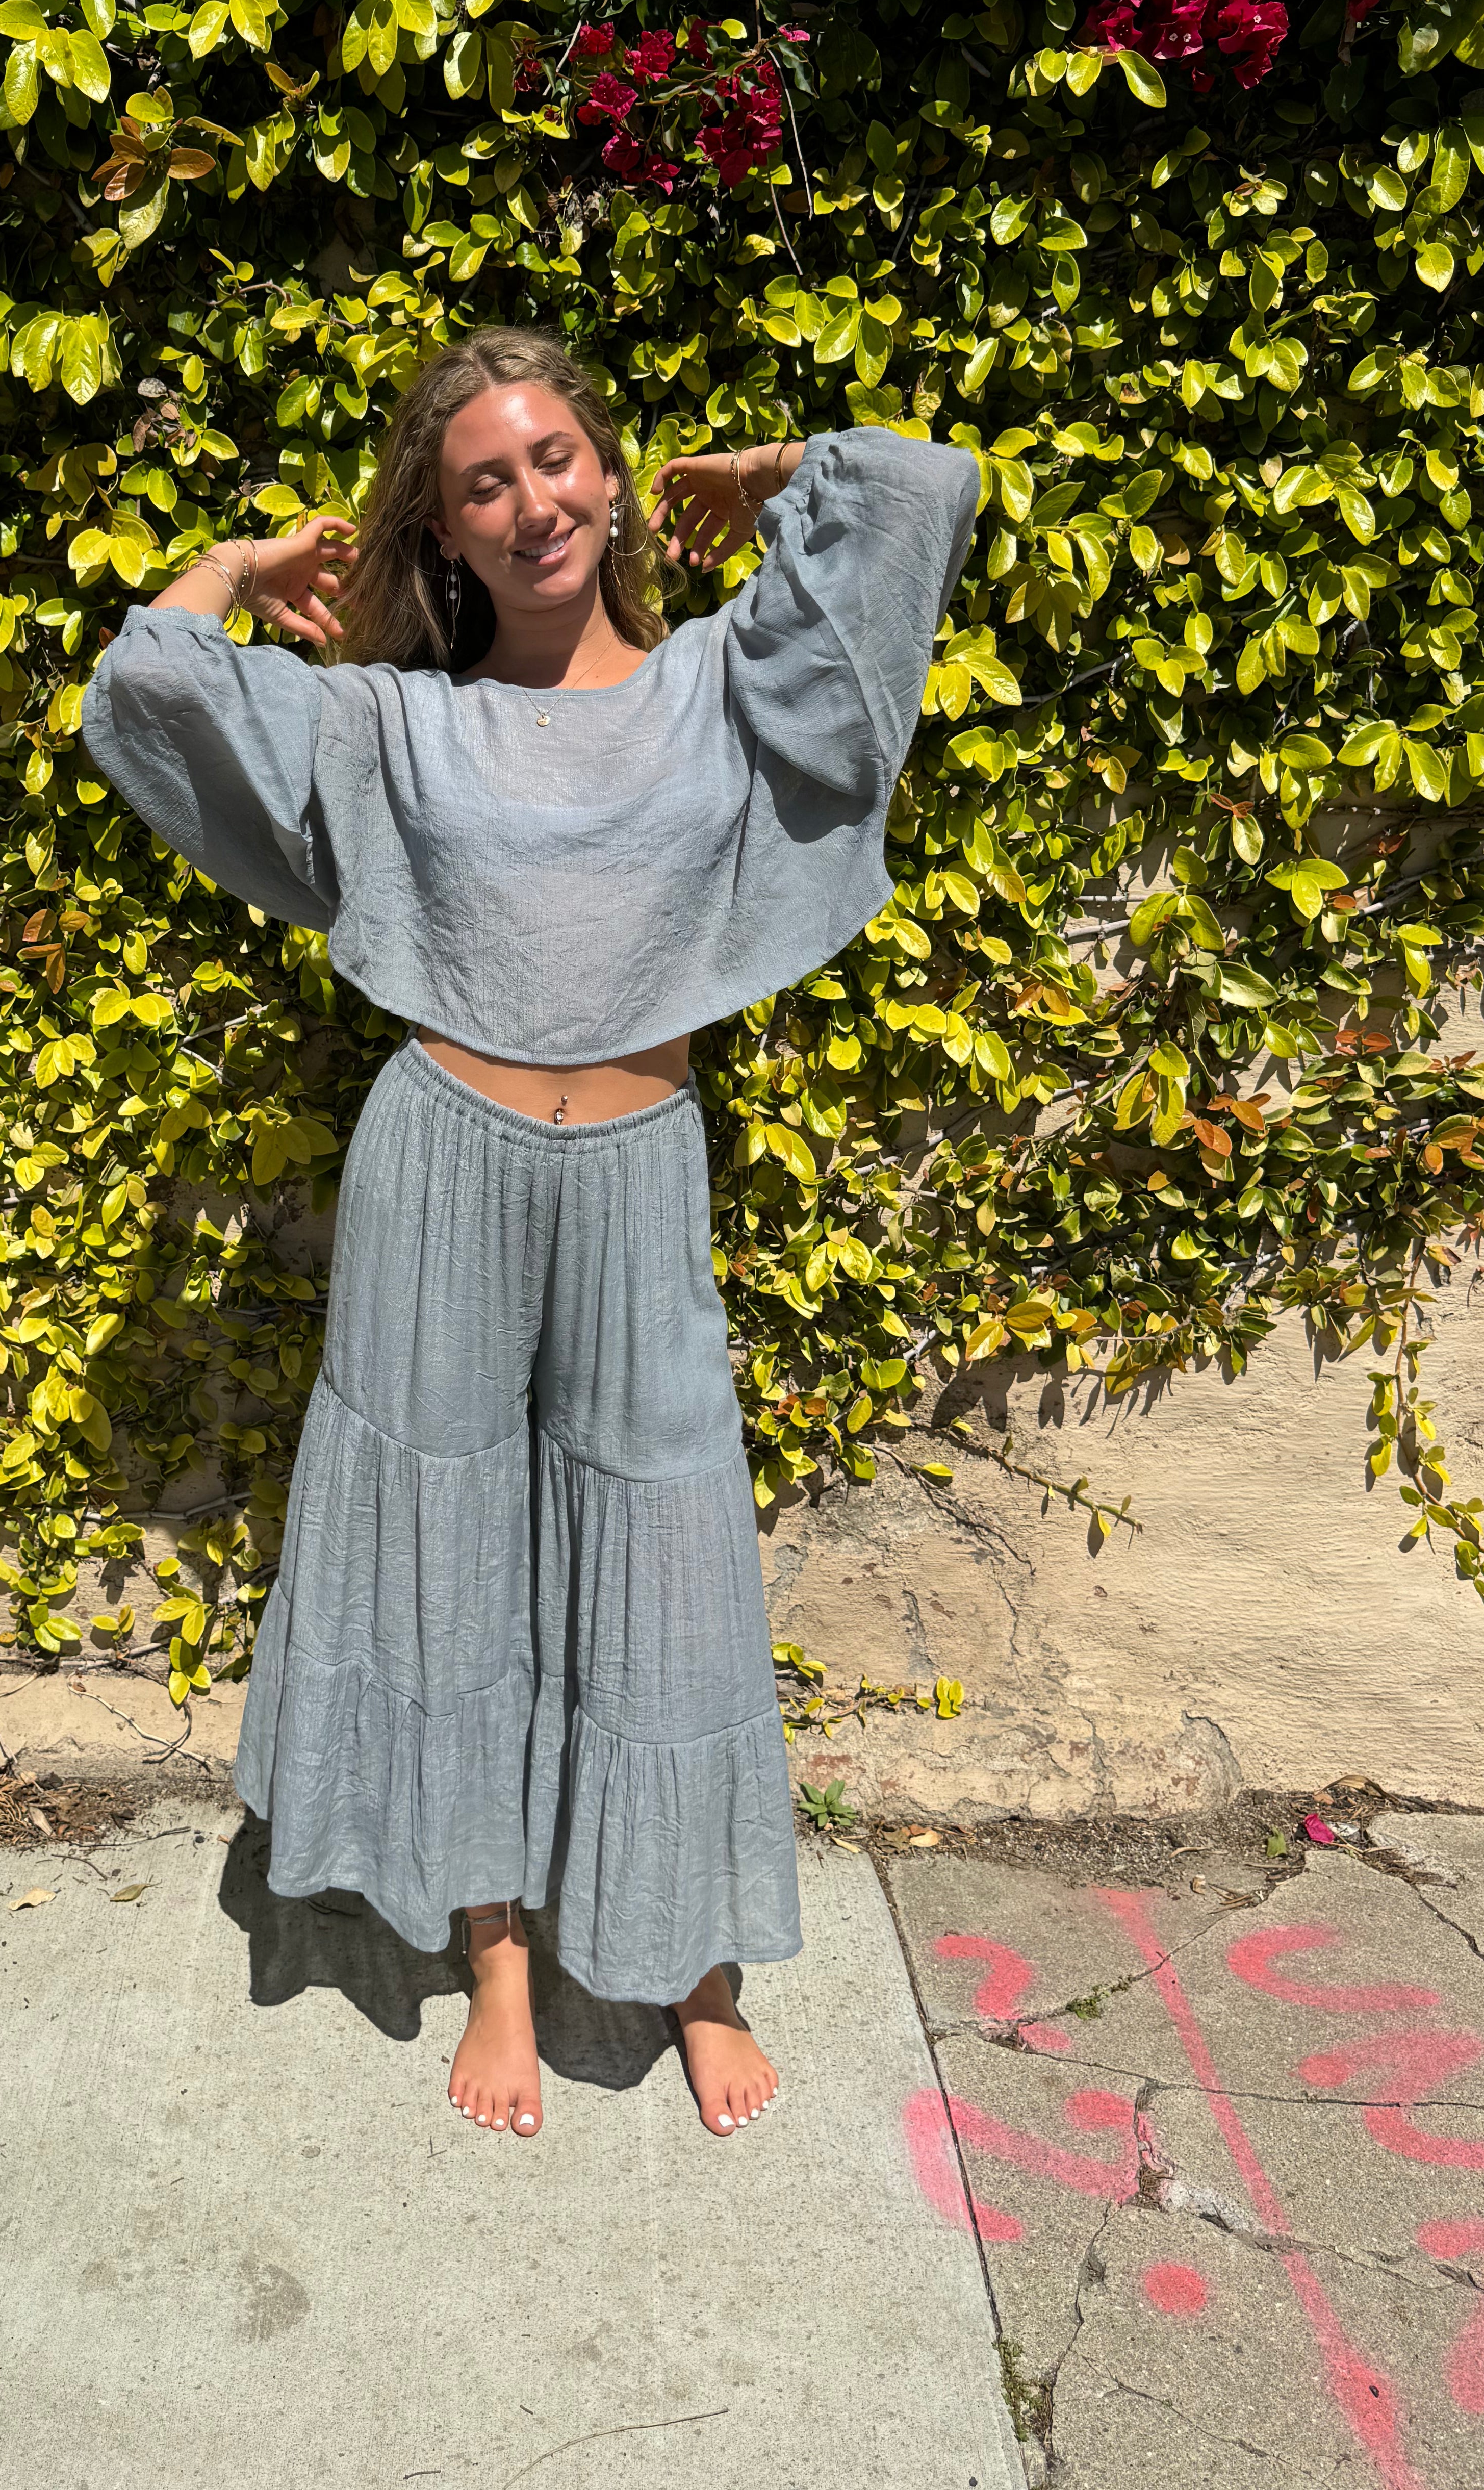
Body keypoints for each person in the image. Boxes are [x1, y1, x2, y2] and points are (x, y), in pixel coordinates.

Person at [82, 326, 979, 2140]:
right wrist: (249, 571)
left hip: (638, 1165)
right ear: (443, 528)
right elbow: (150, 684)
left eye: (556, 456)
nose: (531, 500)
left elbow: (922, 495)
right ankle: (494, 1952)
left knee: (662, 1547)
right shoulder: (400, 719)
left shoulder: (728, 685)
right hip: (440, 1159)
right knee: (452, 1551)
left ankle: (691, 1972)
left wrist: (779, 474)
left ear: (612, 476)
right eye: (484, 481)